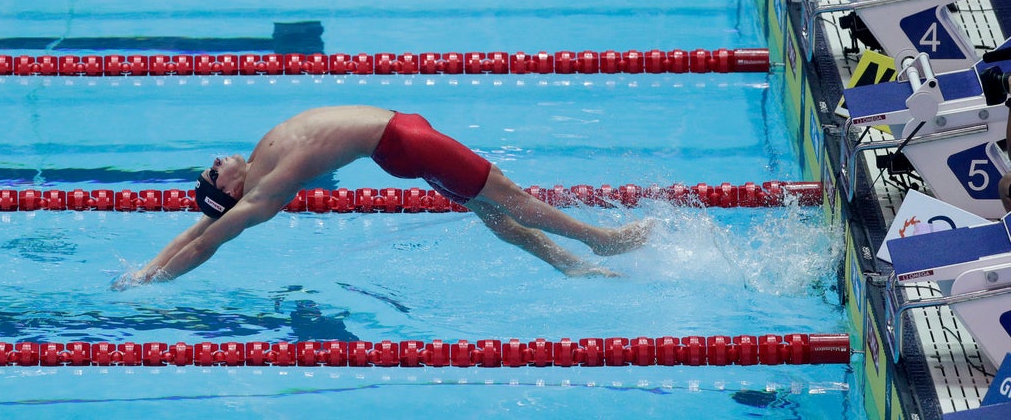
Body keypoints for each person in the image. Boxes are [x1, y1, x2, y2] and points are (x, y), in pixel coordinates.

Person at [113, 106, 652, 288]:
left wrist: (146, 268)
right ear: (230, 190)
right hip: (403, 140)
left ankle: (566, 264)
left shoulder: (258, 164)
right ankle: (601, 242)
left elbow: (198, 229)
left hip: (398, 141)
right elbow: (211, 241)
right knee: (506, 195)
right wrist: (162, 280)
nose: (215, 161)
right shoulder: (264, 191)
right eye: (214, 173)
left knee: (486, 207)